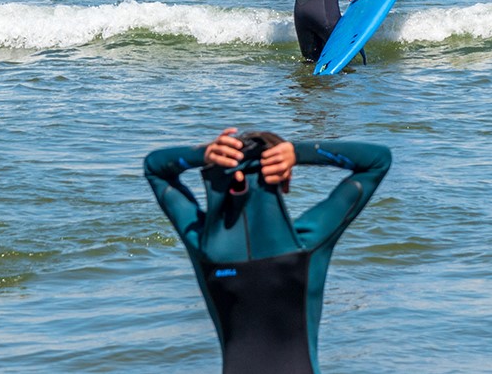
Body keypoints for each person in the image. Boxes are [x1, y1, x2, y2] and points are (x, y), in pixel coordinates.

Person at [143, 127, 392, 374]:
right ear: (284, 180)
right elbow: (378, 160)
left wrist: (204, 154)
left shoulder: (205, 247)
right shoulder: (307, 245)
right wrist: (300, 152)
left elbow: (154, 167)